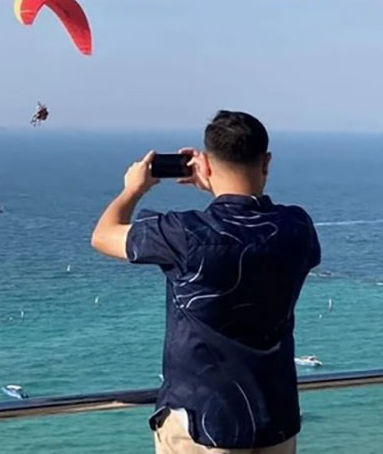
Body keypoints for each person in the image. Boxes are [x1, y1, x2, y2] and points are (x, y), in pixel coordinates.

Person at [90, 110, 320, 454]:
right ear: (266, 162)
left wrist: (133, 190)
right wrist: (217, 184)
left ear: (206, 165)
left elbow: (103, 235)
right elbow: (244, 232)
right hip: (276, 421)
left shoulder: (185, 234)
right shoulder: (296, 227)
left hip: (204, 423)